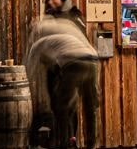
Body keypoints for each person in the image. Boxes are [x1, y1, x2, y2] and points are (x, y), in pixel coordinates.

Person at [26, 9, 100, 148]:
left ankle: (63, 143)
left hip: (73, 62)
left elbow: (30, 67)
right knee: (90, 105)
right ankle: (91, 143)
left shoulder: (39, 42)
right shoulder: (64, 30)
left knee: (61, 107)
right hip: (92, 59)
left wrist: (28, 86)